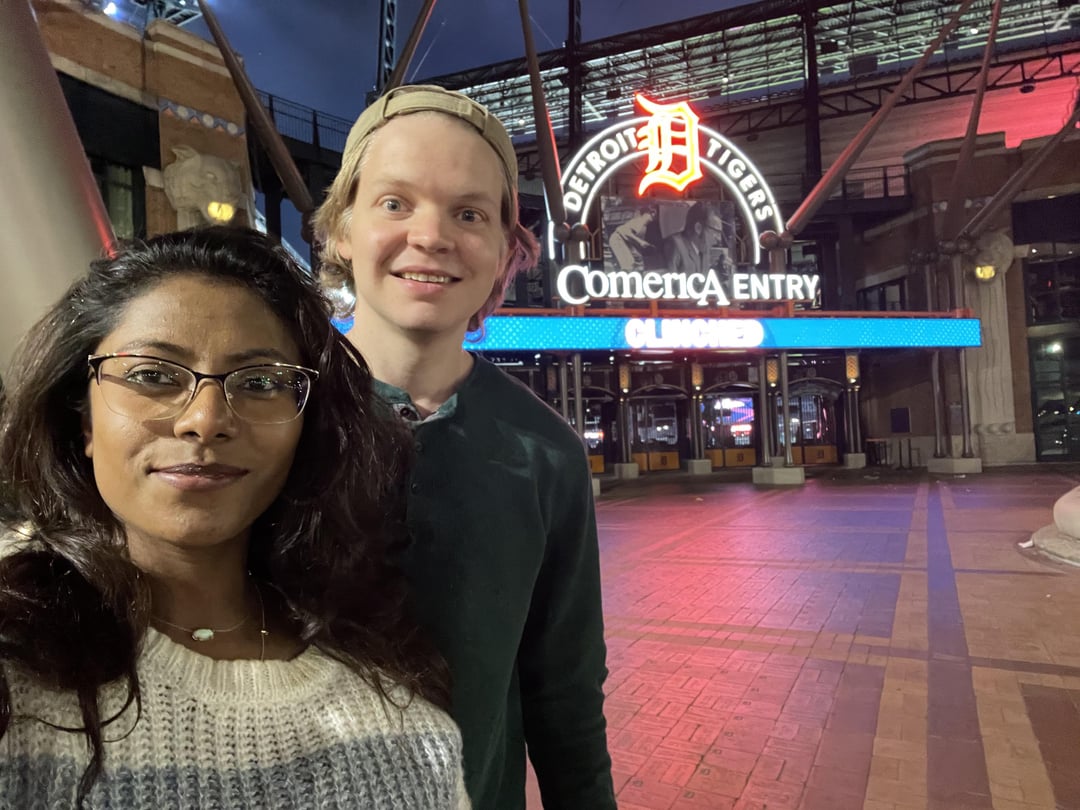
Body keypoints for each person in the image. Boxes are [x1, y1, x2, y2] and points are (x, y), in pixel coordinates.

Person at [0, 227, 469, 809]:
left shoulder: (394, 697)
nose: (205, 420)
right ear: (84, 420)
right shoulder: (17, 674)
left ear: (307, 427)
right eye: (152, 375)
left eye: (261, 383)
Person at [313, 85, 616, 810]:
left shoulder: (546, 454)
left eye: (470, 213)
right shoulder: (267, 414)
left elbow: (565, 694)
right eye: (395, 203)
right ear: (343, 228)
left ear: (507, 250)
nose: (431, 236)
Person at [664, 199, 711, 275]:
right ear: (698, 228)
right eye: (715, 231)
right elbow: (671, 280)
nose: (718, 238)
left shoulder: (705, 248)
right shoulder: (675, 244)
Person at [608, 205, 656, 271]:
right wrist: (640, 242)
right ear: (645, 213)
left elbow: (636, 242)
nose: (653, 214)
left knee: (638, 262)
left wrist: (645, 245)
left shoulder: (644, 227)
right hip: (617, 238)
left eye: (654, 213)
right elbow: (625, 231)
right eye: (651, 212)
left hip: (625, 241)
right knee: (629, 263)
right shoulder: (639, 221)